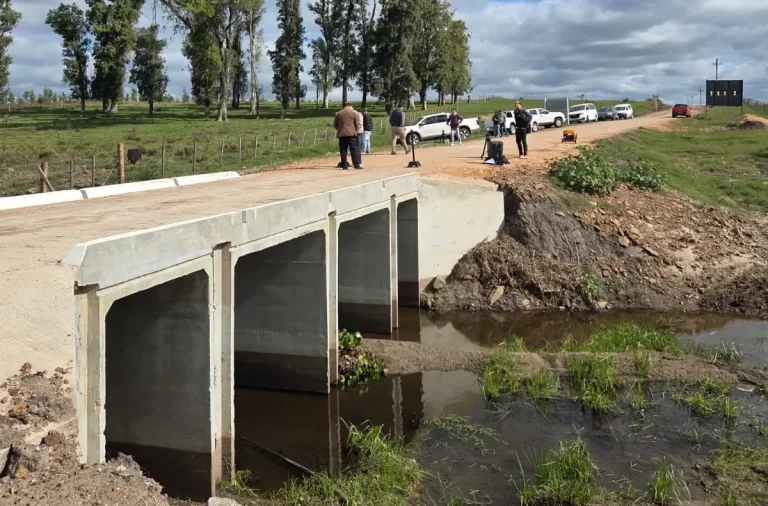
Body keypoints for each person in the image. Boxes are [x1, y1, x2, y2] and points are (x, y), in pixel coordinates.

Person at [333, 102, 363, 169]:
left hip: (342, 134)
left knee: (343, 150)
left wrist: (339, 129)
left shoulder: (338, 114)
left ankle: (344, 165)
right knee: (354, 149)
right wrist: (355, 130)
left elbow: (335, 124)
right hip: (352, 134)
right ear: (349, 106)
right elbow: (356, 124)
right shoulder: (353, 113)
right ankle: (356, 164)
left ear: (343, 106)